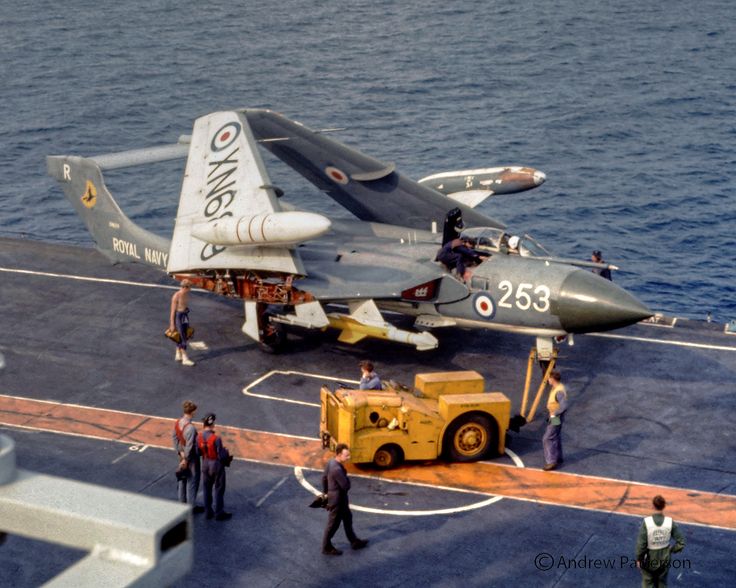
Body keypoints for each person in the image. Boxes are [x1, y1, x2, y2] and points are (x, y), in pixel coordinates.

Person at [321, 443, 368, 555]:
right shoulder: (337, 469)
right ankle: (326, 547)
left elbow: (324, 478)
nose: (348, 457)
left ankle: (354, 541)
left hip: (336, 498)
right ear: (338, 454)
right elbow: (346, 486)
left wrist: (326, 493)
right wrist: (346, 477)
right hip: (338, 500)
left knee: (347, 518)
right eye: (346, 455)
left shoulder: (331, 462)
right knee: (333, 524)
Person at [635, 495, 686, 587]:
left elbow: (641, 545)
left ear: (653, 506)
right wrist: (671, 550)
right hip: (664, 559)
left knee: (648, 582)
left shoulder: (647, 523)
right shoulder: (670, 522)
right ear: (664, 506)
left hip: (649, 559)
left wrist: (639, 558)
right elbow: (681, 542)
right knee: (662, 583)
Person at [198, 413, 233, 521]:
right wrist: (227, 455)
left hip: (205, 463)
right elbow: (221, 455)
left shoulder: (198, 437)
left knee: (207, 488)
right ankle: (219, 513)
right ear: (212, 424)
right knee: (219, 488)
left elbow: (197, 451)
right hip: (216, 465)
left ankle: (208, 512)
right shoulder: (216, 438)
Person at [172, 400, 204, 513]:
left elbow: (175, 438)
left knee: (182, 479)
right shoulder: (190, 428)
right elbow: (190, 446)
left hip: (181, 455)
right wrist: (186, 459)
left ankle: (181, 504)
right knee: (192, 481)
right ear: (192, 412)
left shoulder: (178, 422)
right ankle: (191, 507)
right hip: (191, 458)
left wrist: (180, 453)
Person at [542, 370, 568, 471]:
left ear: (553, 379)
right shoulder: (557, 388)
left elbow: (564, 406)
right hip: (556, 417)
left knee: (547, 438)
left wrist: (554, 414)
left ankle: (551, 461)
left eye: (549, 378)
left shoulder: (559, 391)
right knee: (555, 435)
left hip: (556, 417)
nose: (548, 380)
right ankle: (558, 457)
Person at [170, 279, 195, 366]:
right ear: (185, 287)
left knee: (186, 333)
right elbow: (173, 311)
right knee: (182, 336)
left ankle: (178, 353)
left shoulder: (186, 295)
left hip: (184, 315)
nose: (190, 289)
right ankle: (185, 358)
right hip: (179, 316)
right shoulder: (176, 296)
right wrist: (172, 324)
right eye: (189, 287)